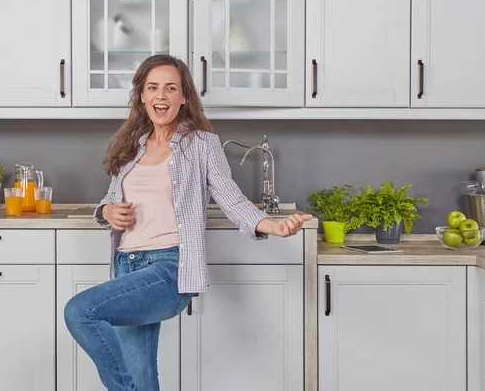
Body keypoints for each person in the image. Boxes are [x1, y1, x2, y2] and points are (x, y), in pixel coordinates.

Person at [64, 54, 313, 391]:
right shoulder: (131, 146)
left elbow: (231, 198)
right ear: (141, 95)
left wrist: (273, 225)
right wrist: (107, 212)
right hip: (126, 266)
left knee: (80, 311)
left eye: (170, 88)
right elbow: (111, 199)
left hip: (168, 267)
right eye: (153, 88)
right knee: (142, 374)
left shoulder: (201, 144)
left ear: (184, 97)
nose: (160, 96)